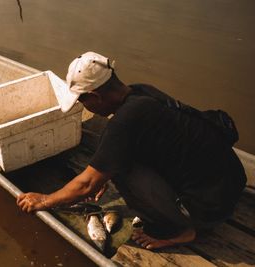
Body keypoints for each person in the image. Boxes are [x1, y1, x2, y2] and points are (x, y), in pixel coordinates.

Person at [16, 51, 247, 250]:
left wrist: (45, 200)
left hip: (210, 210)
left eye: (82, 101)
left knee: (120, 169)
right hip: (233, 182)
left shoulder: (123, 123)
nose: (82, 106)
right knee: (113, 157)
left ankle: (178, 230)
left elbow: (86, 184)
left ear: (95, 96)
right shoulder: (143, 91)